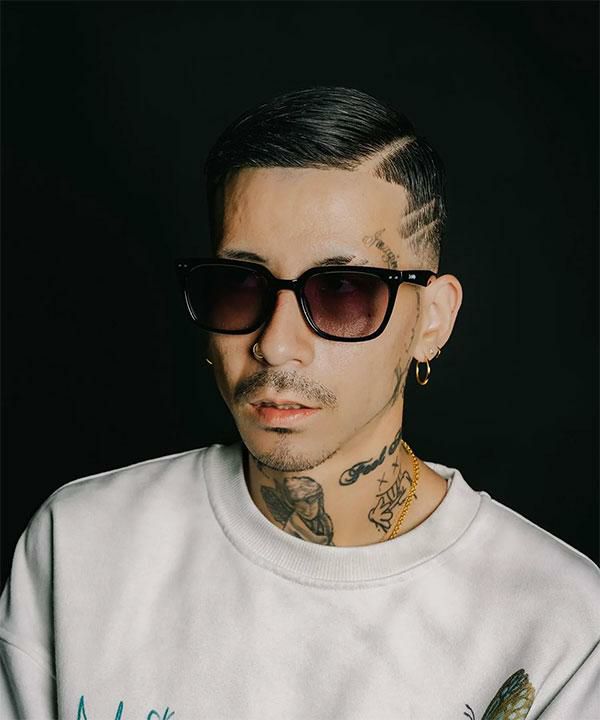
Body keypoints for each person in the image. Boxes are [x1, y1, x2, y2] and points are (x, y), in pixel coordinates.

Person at [1, 87, 598, 720]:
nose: (276, 344)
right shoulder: (81, 544)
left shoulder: (562, 627)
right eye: (240, 285)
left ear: (433, 320)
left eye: (343, 290)